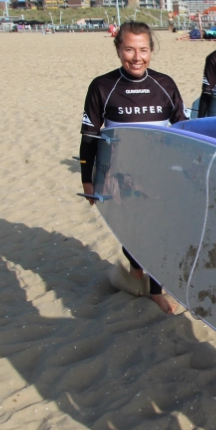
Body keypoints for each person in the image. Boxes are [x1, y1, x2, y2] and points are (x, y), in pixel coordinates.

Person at [79, 21, 186, 315]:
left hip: (159, 177)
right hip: (119, 178)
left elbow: (186, 132)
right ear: (118, 49)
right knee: (132, 236)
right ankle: (136, 273)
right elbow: (89, 137)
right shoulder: (102, 86)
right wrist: (87, 181)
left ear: (151, 50)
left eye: (143, 50)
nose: (137, 57)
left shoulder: (165, 85)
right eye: (129, 49)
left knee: (157, 235)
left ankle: (154, 291)